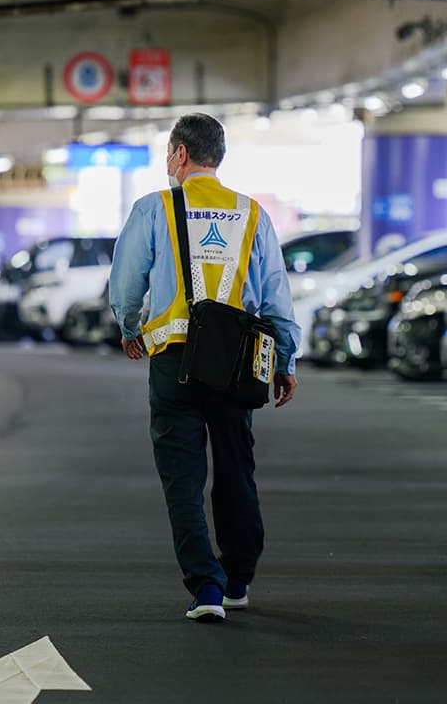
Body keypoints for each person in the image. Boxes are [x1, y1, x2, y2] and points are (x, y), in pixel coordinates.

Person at [109, 113, 300, 623]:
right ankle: (238, 577)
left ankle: (206, 589)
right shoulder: (252, 214)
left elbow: (127, 283)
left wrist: (130, 329)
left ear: (179, 154)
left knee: (182, 478)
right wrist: (285, 359)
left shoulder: (155, 208)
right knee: (237, 469)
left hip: (174, 360)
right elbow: (277, 296)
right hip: (239, 363)